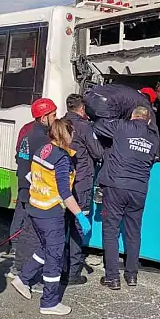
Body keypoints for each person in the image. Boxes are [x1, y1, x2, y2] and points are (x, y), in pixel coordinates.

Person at [10, 119, 92, 316]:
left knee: (46, 248)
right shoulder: (62, 159)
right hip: (51, 212)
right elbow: (65, 193)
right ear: (67, 135)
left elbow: (31, 175)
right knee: (54, 257)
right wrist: (80, 215)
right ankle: (49, 302)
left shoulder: (44, 149)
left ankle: (23, 278)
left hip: (36, 207)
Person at [93, 106, 159, 290]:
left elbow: (98, 126)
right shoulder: (154, 138)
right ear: (147, 120)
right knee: (133, 232)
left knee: (111, 230)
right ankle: (132, 275)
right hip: (139, 189)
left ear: (132, 116)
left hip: (116, 185)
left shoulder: (122, 126)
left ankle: (112, 277)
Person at [7, 98, 57, 280]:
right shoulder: (44, 140)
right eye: (53, 115)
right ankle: (23, 271)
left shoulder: (28, 136)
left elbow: (21, 162)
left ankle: (18, 266)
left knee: (24, 229)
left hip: (25, 188)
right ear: (44, 117)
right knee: (32, 235)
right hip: (36, 193)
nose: (55, 118)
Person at [62, 94, 103, 285]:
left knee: (62, 227)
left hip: (61, 182)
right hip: (81, 182)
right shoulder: (85, 127)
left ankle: (60, 266)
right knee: (78, 226)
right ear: (82, 109)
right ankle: (73, 272)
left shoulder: (60, 124)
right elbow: (98, 152)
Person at [83, 83, 158, 134]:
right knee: (115, 133)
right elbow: (152, 125)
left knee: (96, 126)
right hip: (106, 105)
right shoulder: (143, 100)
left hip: (89, 98)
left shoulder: (127, 91)